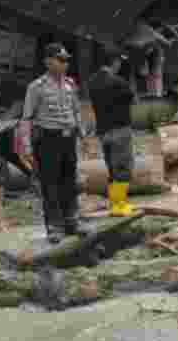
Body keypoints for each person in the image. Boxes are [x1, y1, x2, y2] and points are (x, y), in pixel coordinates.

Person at [19, 43, 86, 244]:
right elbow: (26, 119)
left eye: (66, 60)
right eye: (61, 60)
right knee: (50, 184)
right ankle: (54, 227)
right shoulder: (36, 87)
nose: (65, 64)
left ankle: (72, 221)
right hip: (48, 140)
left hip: (68, 139)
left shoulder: (70, 84)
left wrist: (82, 132)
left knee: (69, 180)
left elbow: (75, 110)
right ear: (48, 62)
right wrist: (27, 146)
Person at [87, 49, 136, 217]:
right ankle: (119, 205)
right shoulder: (119, 82)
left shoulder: (92, 81)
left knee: (111, 169)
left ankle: (113, 203)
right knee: (122, 169)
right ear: (114, 62)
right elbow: (132, 99)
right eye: (120, 62)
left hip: (103, 131)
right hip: (120, 130)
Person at [0, 122, 33, 197]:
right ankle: (1, 192)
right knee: (5, 171)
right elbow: (20, 152)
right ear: (18, 127)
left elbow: (23, 152)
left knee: (27, 170)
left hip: (10, 154)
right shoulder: (10, 131)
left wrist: (31, 167)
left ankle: (32, 186)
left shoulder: (20, 134)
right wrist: (28, 160)